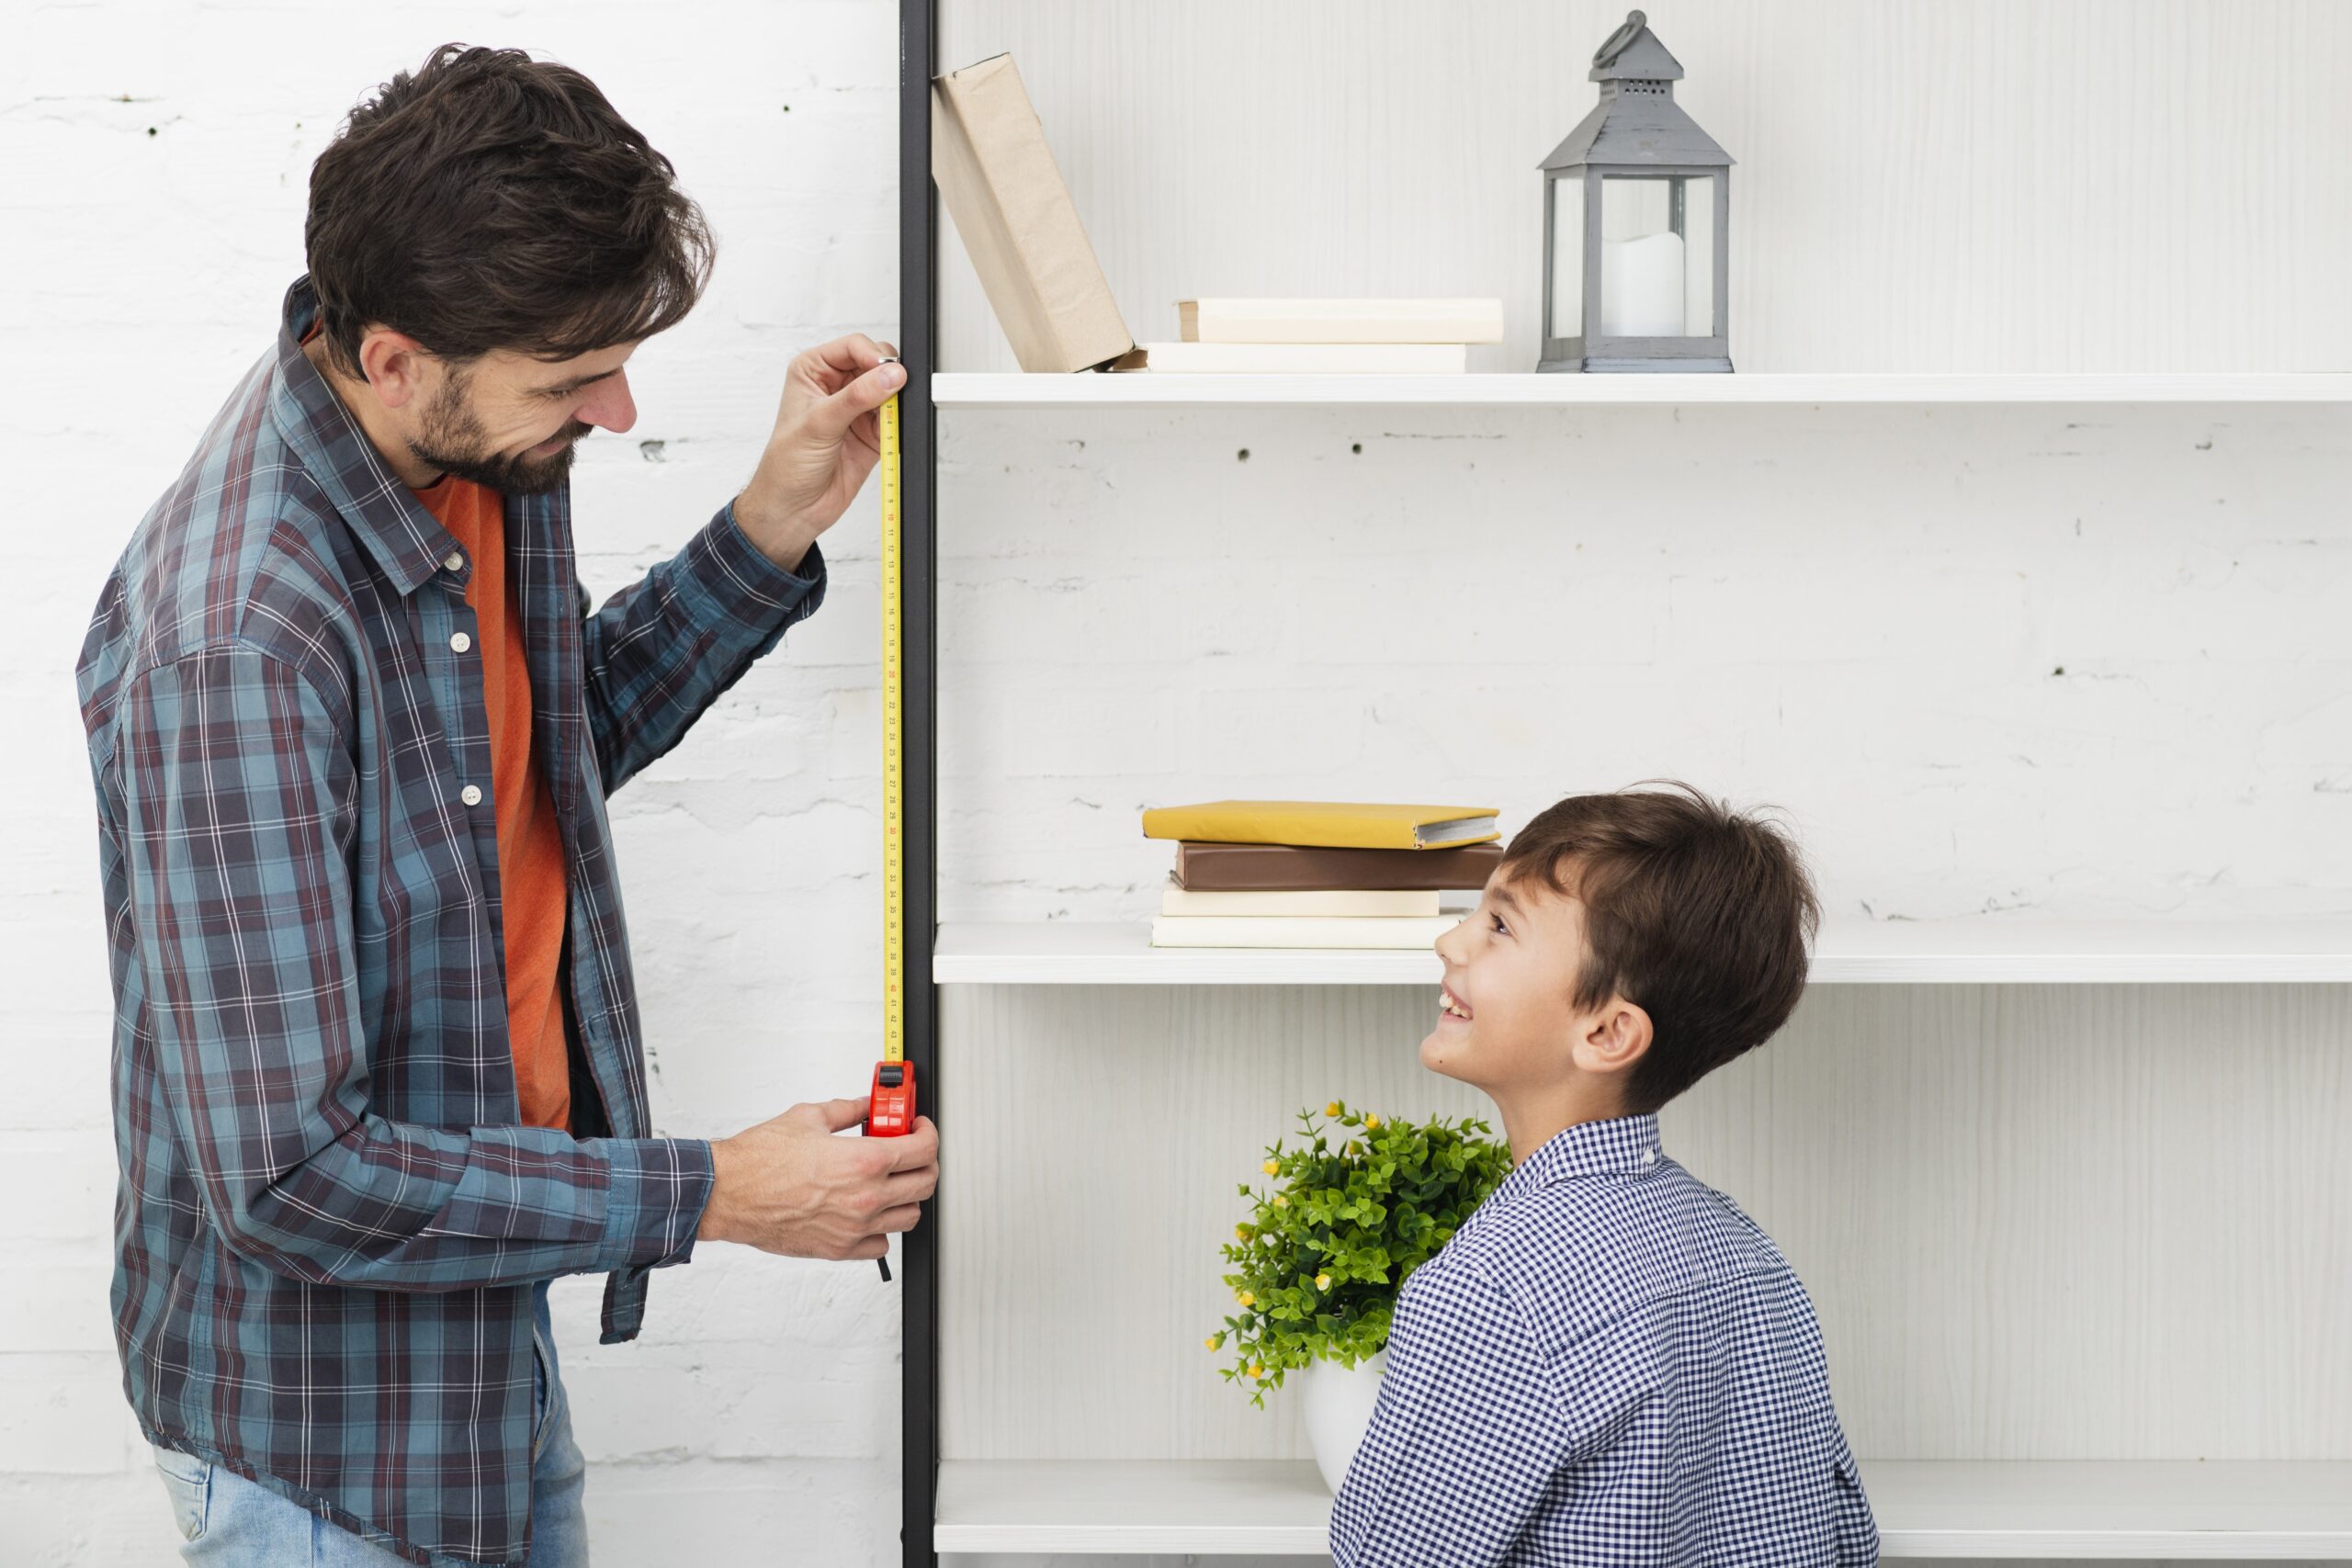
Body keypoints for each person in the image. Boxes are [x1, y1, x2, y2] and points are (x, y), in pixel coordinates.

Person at [74, 44, 937, 1566]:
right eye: (571, 377)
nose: (611, 410)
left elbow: (520, 776)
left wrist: (769, 524)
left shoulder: (480, 456)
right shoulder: (239, 636)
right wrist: (718, 1192)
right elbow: (290, 1172)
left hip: (482, 1360)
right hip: (324, 1459)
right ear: (396, 352)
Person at [1330, 784, 1877, 1565]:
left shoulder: (1491, 1288)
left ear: (1608, 1031)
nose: (1453, 943)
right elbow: (1843, 1542)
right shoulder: (1750, 1259)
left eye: (1498, 924)